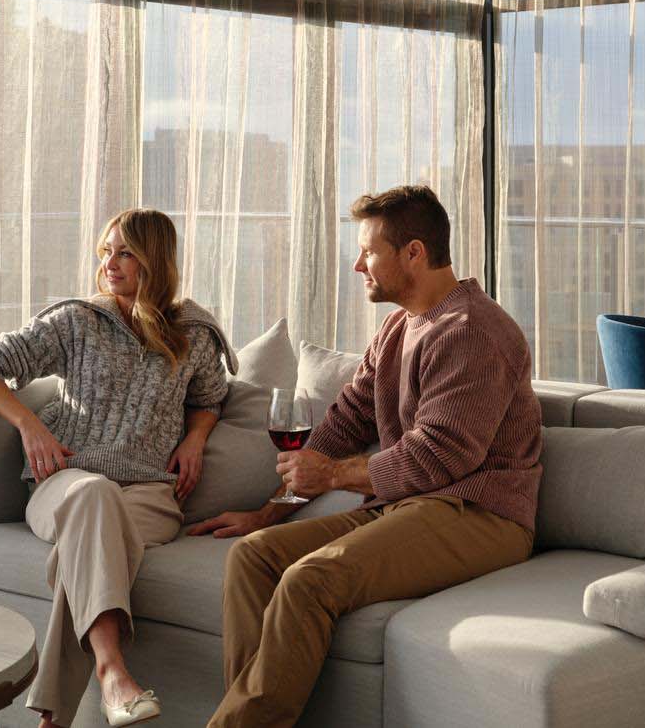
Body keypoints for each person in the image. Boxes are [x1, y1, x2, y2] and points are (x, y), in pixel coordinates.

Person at [188, 185, 543, 728]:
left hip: (479, 513)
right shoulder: (397, 329)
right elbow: (344, 422)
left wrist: (332, 474)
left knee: (310, 580)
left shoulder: (471, 330)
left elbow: (439, 456)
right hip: (407, 506)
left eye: (369, 251)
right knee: (253, 556)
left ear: (413, 253)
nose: (358, 265)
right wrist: (268, 512)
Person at [0, 208, 235, 728]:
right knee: (94, 496)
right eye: (106, 251)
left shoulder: (194, 335)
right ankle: (112, 671)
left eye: (126, 252)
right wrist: (29, 425)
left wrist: (197, 437)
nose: (111, 263)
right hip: (65, 486)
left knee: (86, 549)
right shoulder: (75, 321)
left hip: (151, 496)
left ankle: (53, 719)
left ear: (156, 260)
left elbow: (211, 397)